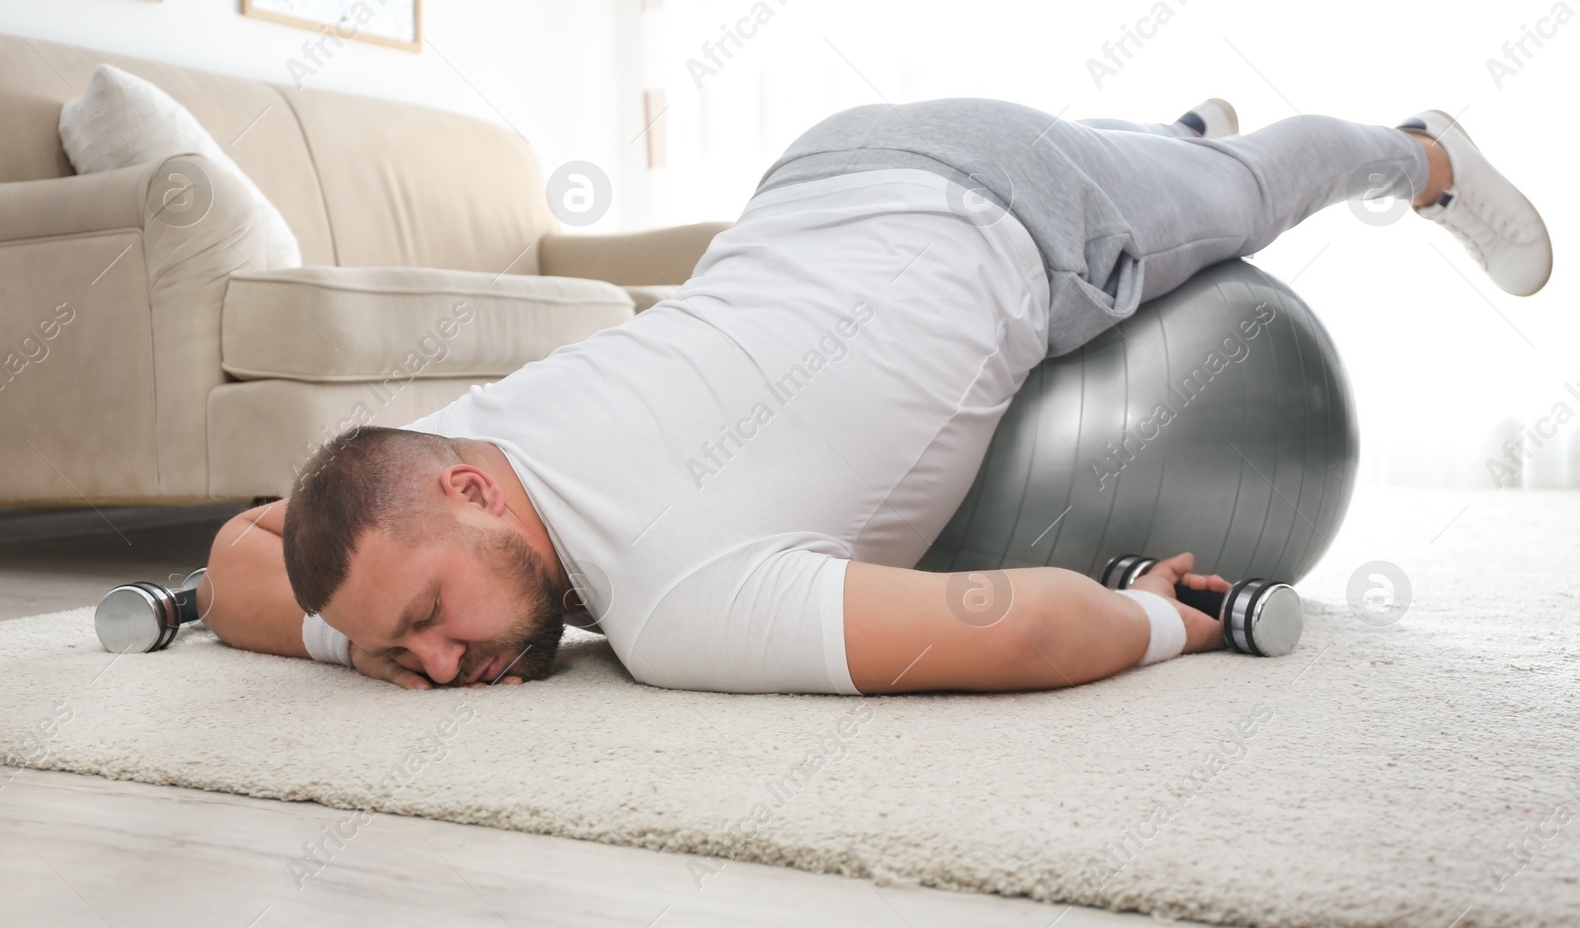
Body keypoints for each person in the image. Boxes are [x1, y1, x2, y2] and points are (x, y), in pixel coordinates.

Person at [201, 98, 1551, 695]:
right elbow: (238, 563)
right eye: (399, 657)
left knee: (1253, 190)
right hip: (820, 177)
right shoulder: (456, 445)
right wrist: (366, 629)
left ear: (473, 491)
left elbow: (1019, 634)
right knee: (1163, 158)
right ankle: (1164, 128)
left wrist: (1167, 626)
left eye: (433, 621)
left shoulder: (681, 610)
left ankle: (1423, 152)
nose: (442, 669)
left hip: (1014, 202)